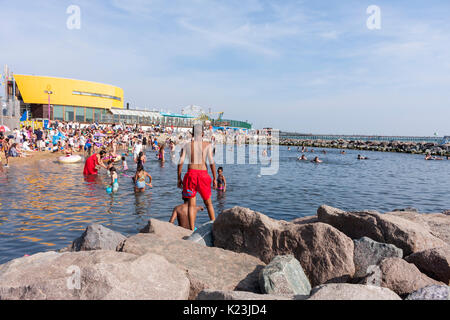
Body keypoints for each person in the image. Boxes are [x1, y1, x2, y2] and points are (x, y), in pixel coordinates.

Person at [177, 124, 216, 231]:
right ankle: (214, 225)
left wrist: (179, 177)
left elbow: (180, 162)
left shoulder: (187, 145)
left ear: (193, 134)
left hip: (191, 174)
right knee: (208, 204)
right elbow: (212, 163)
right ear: (203, 134)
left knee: (191, 205)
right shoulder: (207, 145)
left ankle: (191, 229)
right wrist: (214, 178)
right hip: (203, 174)